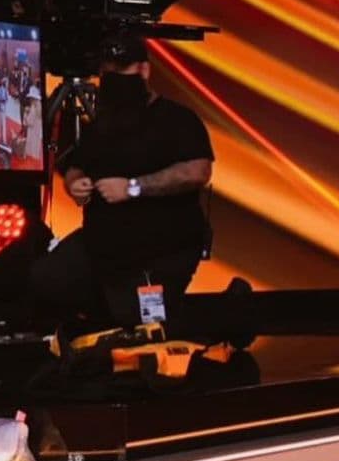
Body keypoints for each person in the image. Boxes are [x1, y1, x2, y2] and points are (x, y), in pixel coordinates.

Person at [30, 36, 213, 330]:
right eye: (107, 72)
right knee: (45, 280)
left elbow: (198, 171)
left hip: (160, 248)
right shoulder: (102, 126)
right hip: (101, 244)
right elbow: (76, 166)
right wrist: (76, 184)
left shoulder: (177, 119)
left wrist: (133, 187)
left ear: (144, 70)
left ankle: (226, 312)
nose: (114, 79)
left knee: (139, 323)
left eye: (121, 70)